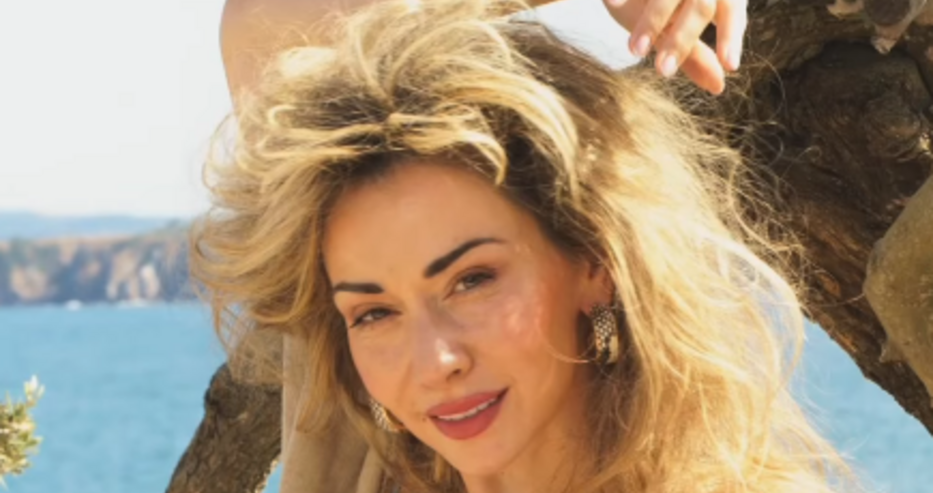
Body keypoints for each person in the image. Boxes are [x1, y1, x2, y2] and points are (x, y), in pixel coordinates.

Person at [191, 1, 866, 492]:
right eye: (373, 312)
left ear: (594, 261)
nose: (434, 362)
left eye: (471, 279)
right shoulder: (355, 461)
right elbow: (272, 20)